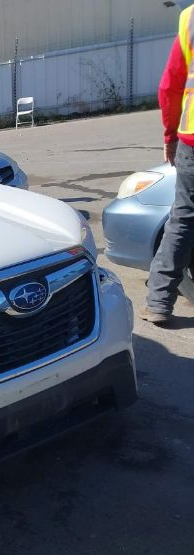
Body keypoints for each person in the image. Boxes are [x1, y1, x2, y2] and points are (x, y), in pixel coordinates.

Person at [142, 4, 194, 323]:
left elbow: (170, 85)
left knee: (184, 218)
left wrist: (169, 135)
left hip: (192, 137)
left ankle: (160, 301)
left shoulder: (190, 18)